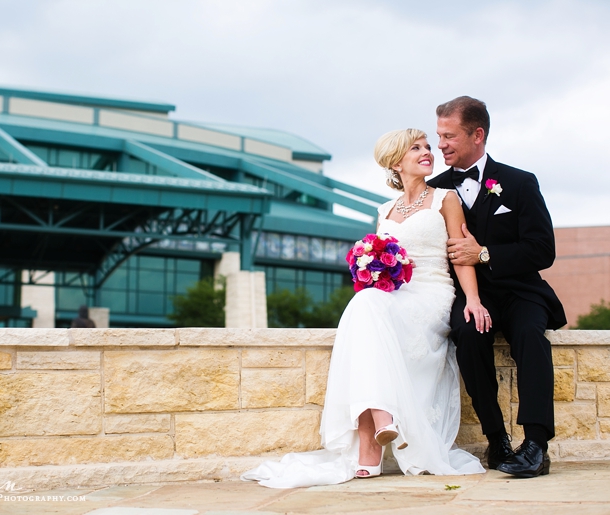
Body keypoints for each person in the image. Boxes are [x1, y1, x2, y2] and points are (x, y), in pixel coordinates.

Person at [241, 129, 486, 488]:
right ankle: (382, 422)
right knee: (365, 304)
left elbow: (461, 254)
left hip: (432, 293)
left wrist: (473, 299)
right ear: (395, 162)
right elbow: (380, 263)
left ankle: (369, 447)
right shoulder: (384, 210)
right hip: (395, 297)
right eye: (415, 148)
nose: (427, 152)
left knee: (365, 309)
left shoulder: (445, 199)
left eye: (426, 147)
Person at [427, 96, 566, 478]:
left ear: (477, 134)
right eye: (439, 136)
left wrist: (484, 254)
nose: (441, 145)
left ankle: (536, 444)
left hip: (521, 291)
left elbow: (542, 249)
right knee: (467, 335)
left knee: (530, 337)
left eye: (449, 136)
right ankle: (496, 439)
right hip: (471, 296)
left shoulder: (520, 182)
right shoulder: (434, 191)